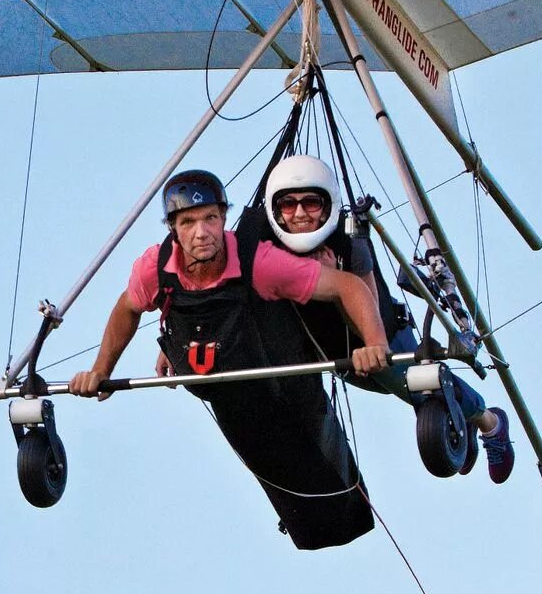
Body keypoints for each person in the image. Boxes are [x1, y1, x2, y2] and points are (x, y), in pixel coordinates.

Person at [69, 168, 381, 550]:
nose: (201, 232)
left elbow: (347, 287)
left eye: (210, 219)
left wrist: (374, 342)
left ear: (223, 218)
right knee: (279, 477)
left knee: (323, 473)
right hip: (228, 395)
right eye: (188, 223)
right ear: (172, 228)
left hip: (283, 387)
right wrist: (101, 371)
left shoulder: (259, 262)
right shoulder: (155, 268)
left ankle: (347, 512)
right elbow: (127, 308)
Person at [257, 154, 517, 484]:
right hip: (333, 352)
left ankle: (490, 424)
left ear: (327, 205)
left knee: (421, 391)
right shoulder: (265, 244)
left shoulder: (346, 238)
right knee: (415, 395)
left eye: (310, 203)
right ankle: (459, 417)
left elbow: (364, 294)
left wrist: (334, 280)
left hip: (381, 339)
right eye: (288, 205)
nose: (298, 214)